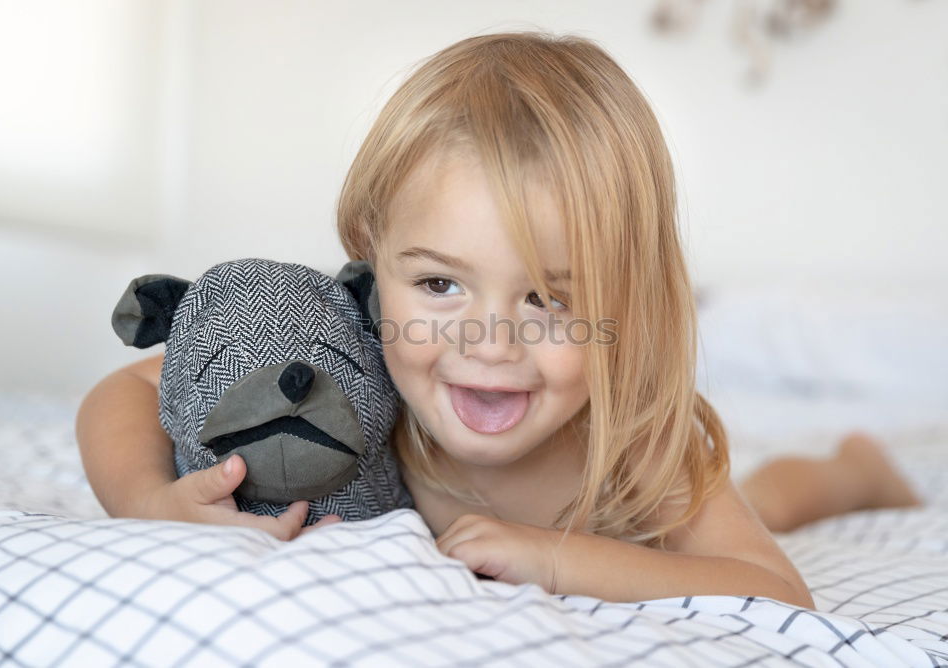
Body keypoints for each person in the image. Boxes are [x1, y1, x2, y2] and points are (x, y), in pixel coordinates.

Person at [76, 32, 921, 610]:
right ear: (374, 262)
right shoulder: (363, 359)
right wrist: (147, 498)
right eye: (441, 284)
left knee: (771, 496)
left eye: (550, 300)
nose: (490, 343)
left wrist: (557, 557)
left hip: (634, 517)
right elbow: (126, 389)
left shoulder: (628, 445)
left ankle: (855, 467)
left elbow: (772, 586)